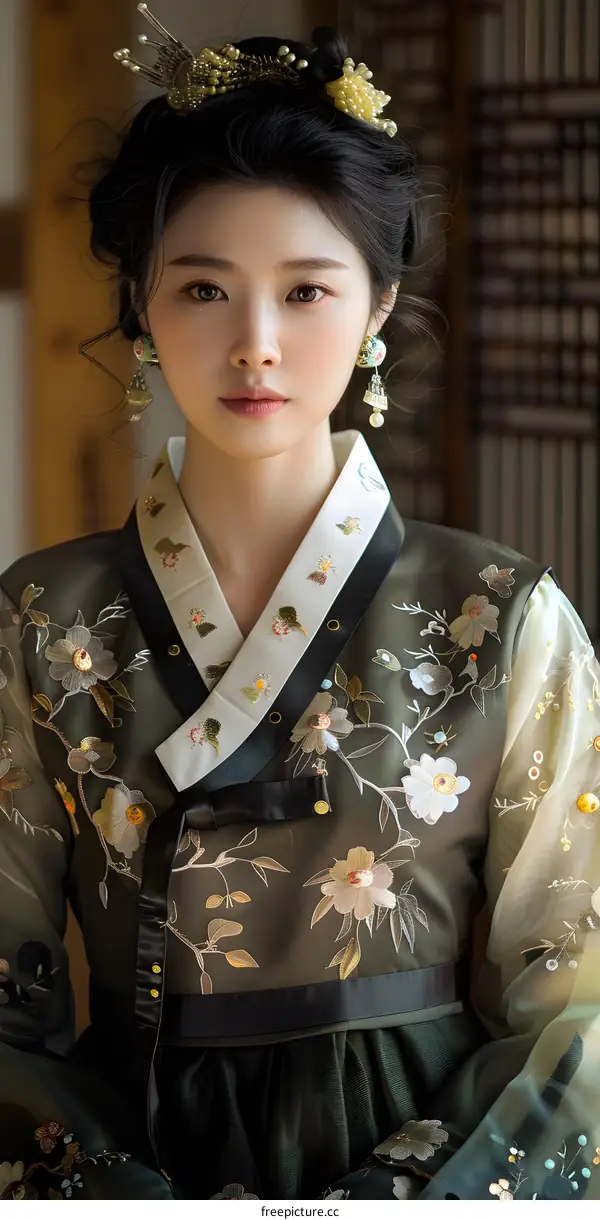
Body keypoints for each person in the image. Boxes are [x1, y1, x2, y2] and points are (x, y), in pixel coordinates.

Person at [0, 5, 599, 1203]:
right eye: (205, 289)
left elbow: (578, 1005)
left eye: (308, 291)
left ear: (377, 305)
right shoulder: (41, 620)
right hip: (134, 1163)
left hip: (432, 1174)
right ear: (142, 306)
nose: (256, 346)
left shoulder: (500, 612)